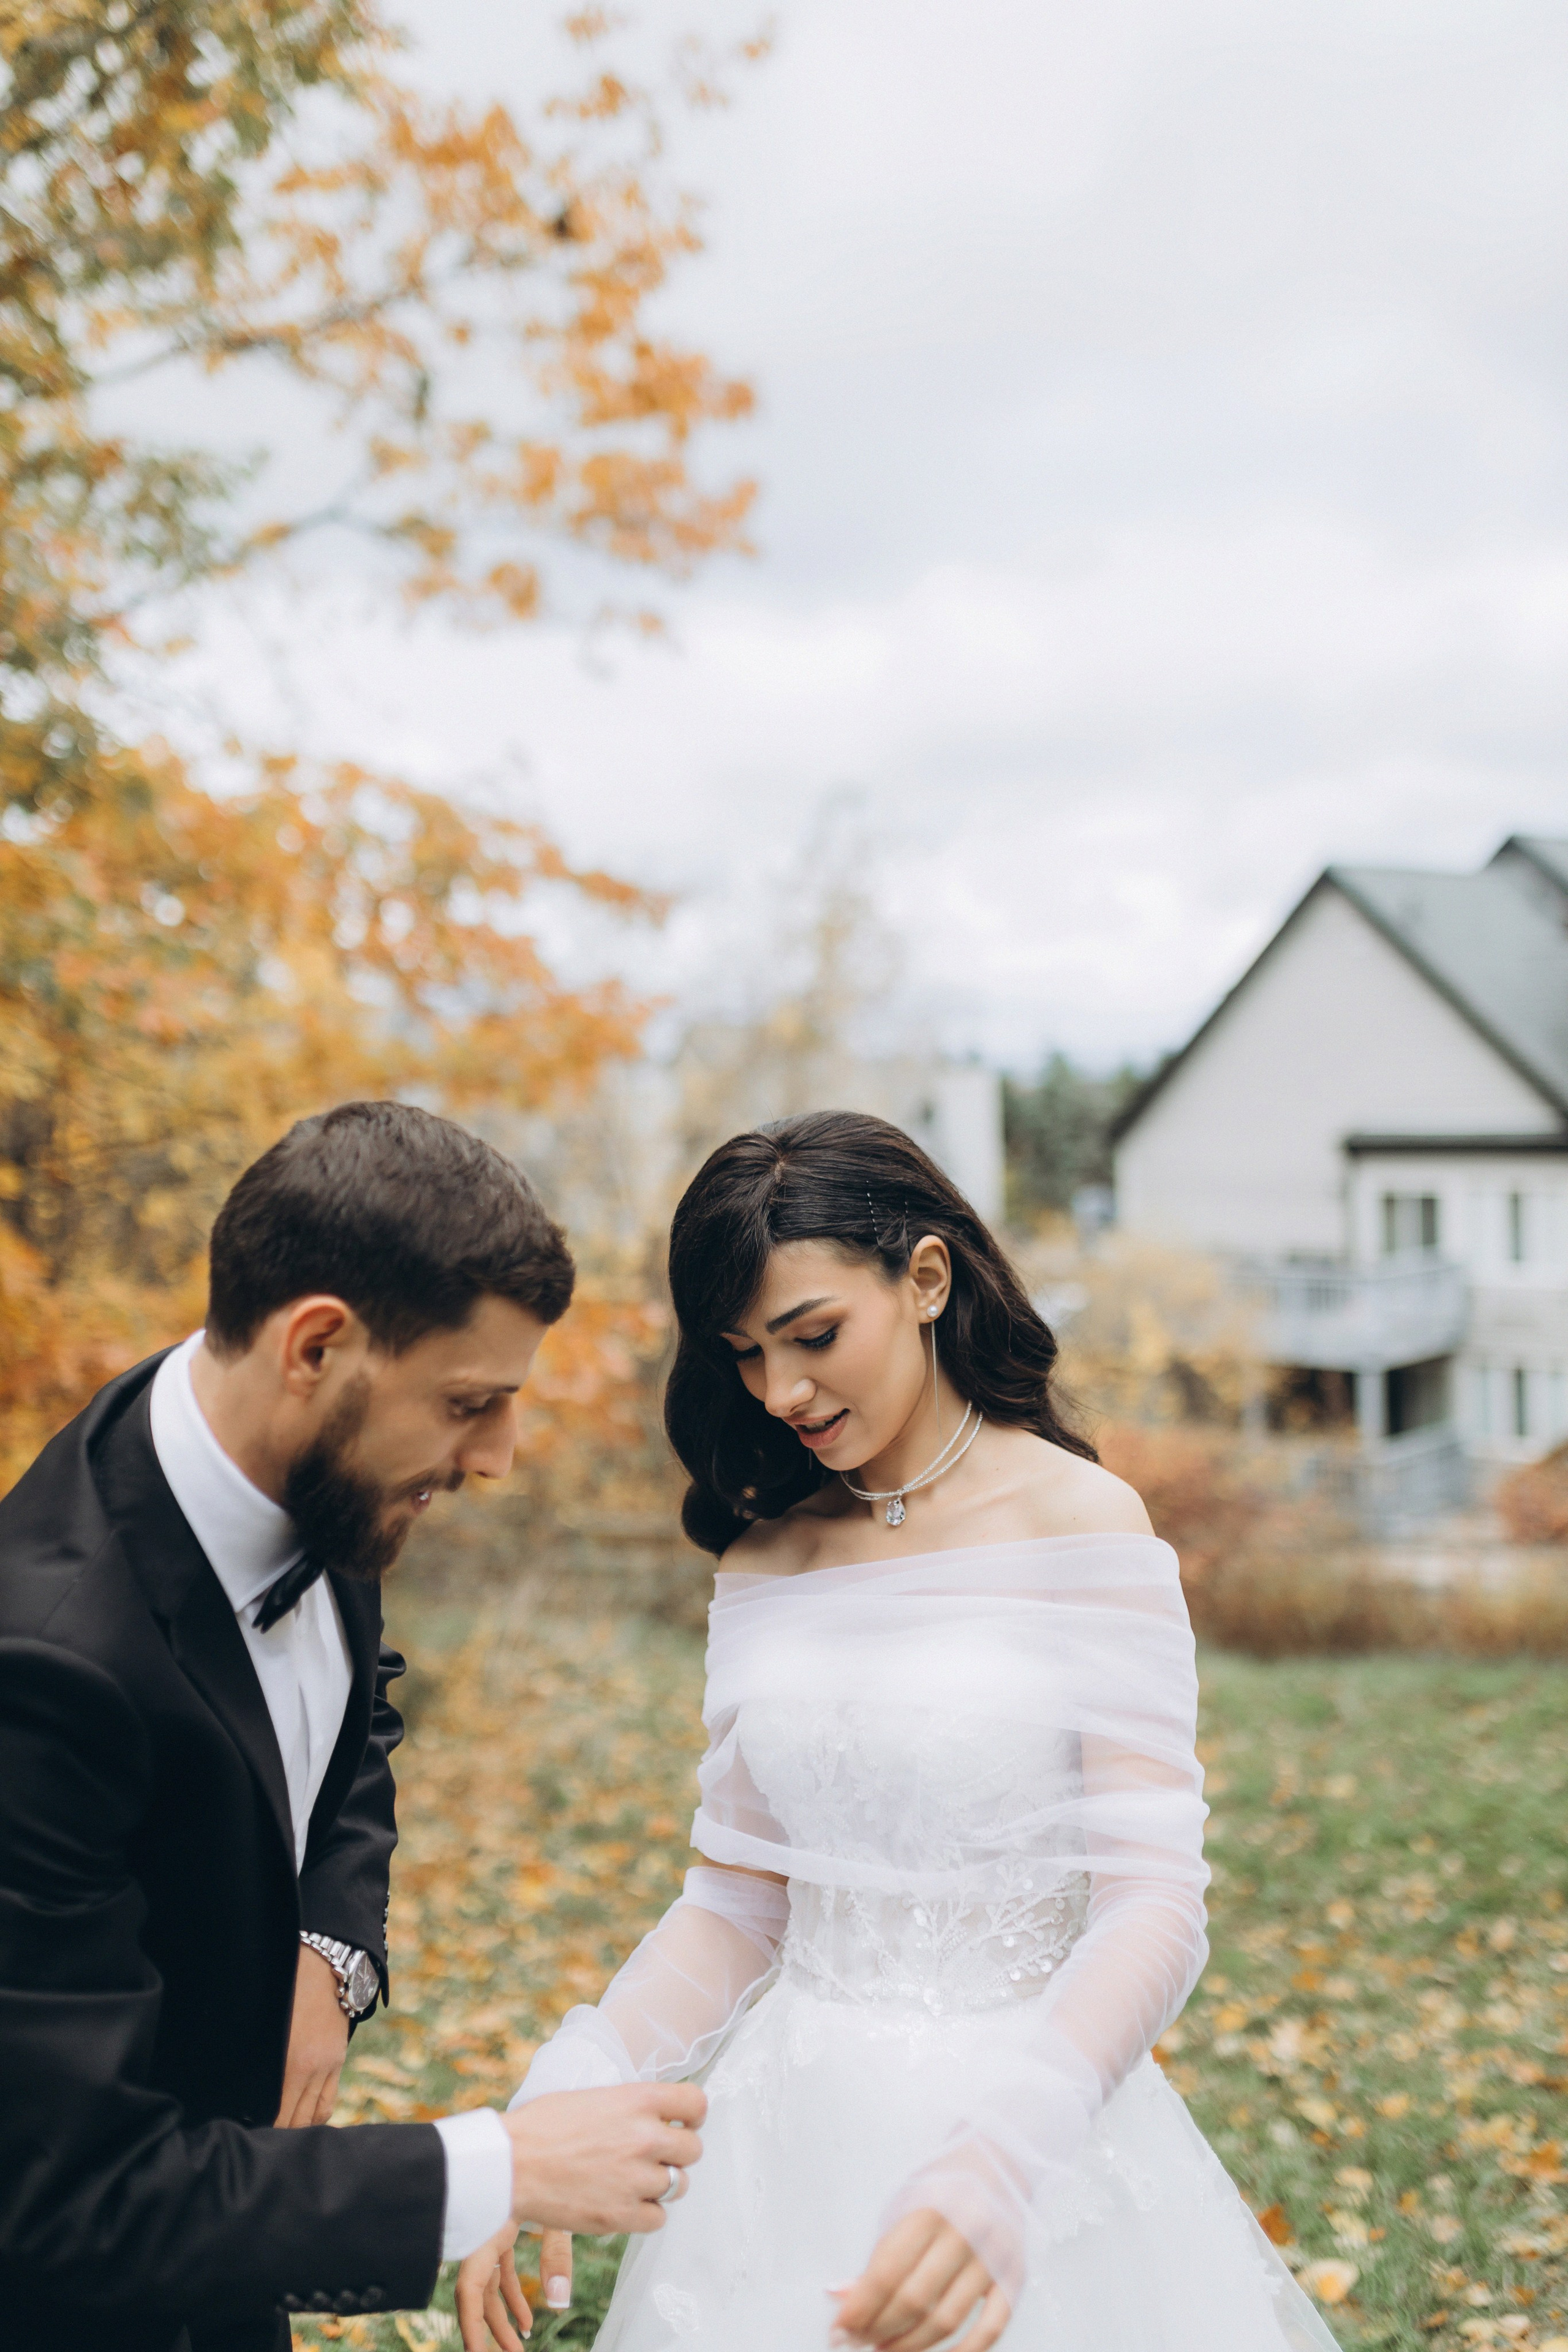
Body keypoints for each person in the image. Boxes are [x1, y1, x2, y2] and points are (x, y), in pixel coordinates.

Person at [456, 1109, 1343, 2352]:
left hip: (1023, 2144)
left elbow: (1152, 1902)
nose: (782, 1392)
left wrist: (1006, 2155)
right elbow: (737, 1904)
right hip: (783, 2144)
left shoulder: (1082, 1526)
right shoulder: (767, 1556)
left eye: (813, 1336)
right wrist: (564, 2094)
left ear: (925, 1279)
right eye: (744, 1354)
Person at [0, 1101, 703, 2352]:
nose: (496, 1456)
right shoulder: (44, 1673)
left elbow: (349, 1721)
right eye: (467, 1403)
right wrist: (498, 2169)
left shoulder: (307, 1468)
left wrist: (330, 1944)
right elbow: (70, 2199)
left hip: (238, 2263)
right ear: (315, 1345)